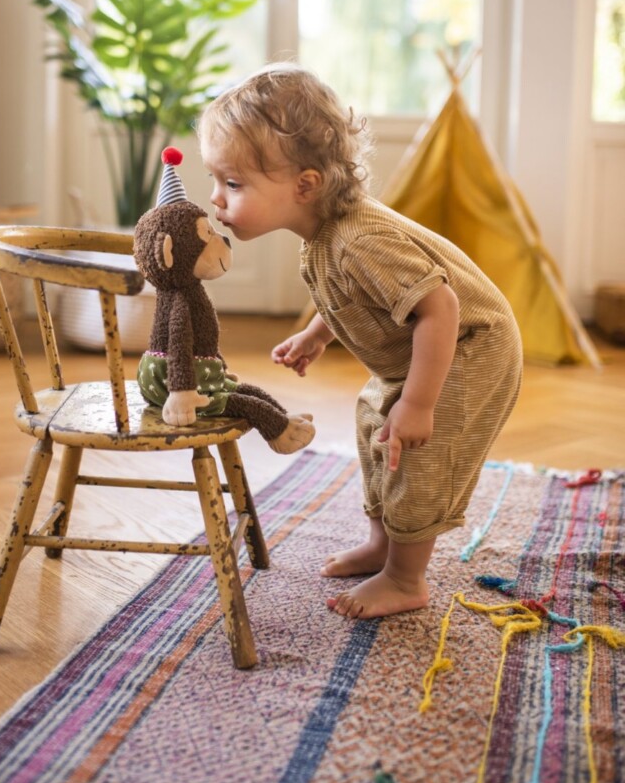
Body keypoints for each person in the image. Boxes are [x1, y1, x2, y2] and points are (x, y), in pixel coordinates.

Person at [197, 63, 523, 621]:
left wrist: (420, 404)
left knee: (416, 450)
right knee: (376, 426)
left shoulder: (359, 240)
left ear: (305, 185)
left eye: (234, 183)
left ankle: (405, 577)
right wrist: (316, 333)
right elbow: (353, 295)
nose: (217, 199)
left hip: (470, 347)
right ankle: (381, 546)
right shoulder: (322, 238)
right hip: (416, 351)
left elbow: (439, 307)